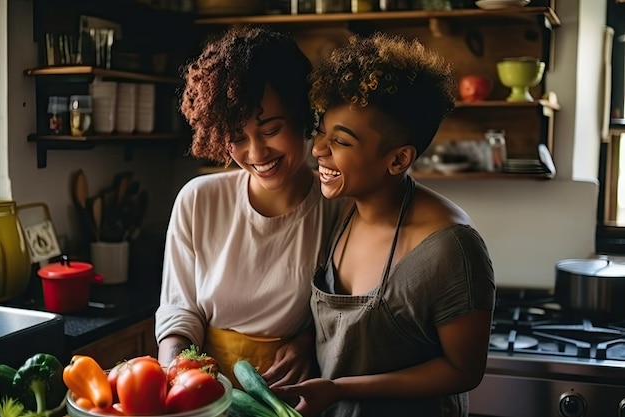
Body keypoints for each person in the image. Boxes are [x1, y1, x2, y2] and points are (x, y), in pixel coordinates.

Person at [273, 33, 496, 416]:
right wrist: (306, 341)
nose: (318, 149)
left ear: (398, 160)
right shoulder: (343, 213)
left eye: (341, 141)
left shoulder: (451, 249)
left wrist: (340, 389)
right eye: (322, 129)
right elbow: (351, 338)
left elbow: (464, 370)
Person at [155, 26, 343, 387]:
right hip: (202, 389)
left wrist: (308, 343)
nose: (256, 154)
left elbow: (346, 318)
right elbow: (179, 311)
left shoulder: (338, 206)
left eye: (271, 129)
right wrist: (174, 378)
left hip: (291, 394)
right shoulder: (198, 200)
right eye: (237, 138)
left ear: (304, 115)